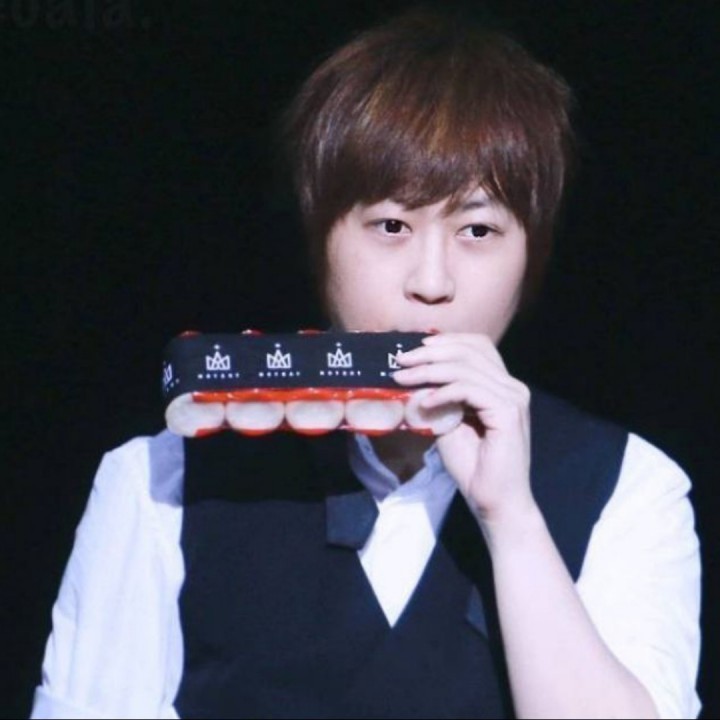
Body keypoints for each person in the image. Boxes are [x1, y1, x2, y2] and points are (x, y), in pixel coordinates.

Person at [31, 9, 701, 719]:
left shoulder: (629, 487)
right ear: (320, 236)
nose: (432, 282)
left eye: (478, 230)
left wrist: (511, 518)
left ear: (532, 254)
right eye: (391, 226)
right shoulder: (162, 479)